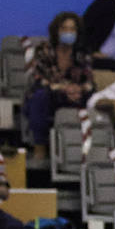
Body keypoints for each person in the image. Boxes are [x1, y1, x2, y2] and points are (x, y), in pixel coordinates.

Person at [23, 11, 94, 160]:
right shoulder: (44, 50)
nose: (68, 32)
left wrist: (79, 89)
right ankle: (39, 148)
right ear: (57, 30)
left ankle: (89, 151)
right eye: (64, 28)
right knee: (39, 97)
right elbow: (39, 78)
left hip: (75, 95)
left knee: (95, 98)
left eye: (72, 29)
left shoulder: (82, 52)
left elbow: (89, 80)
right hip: (50, 94)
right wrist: (64, 88)